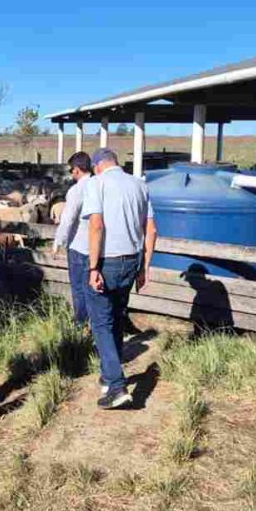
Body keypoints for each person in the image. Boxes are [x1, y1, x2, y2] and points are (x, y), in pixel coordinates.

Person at [82, 147, 157, 409]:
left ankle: (116, 386)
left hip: (107, 261)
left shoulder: (96, 184)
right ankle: (107, 374)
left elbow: (96, 225)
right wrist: (144, 266)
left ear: (97, 165)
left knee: (101, 323)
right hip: (132, 258)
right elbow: (151, 228)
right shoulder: (139, 185)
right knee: (115, 317)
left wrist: (93, 268)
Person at [52, 151, 93, 326]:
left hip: (79, 245)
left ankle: (81, 323)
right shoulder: (100, 185)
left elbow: (67, 219)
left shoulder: (76, 190)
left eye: (71, 170)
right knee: (94, 286)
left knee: (79, 287)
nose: (71, 173)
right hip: (99, 245)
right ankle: (96, 323)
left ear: (76, 170)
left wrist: (57, 242)